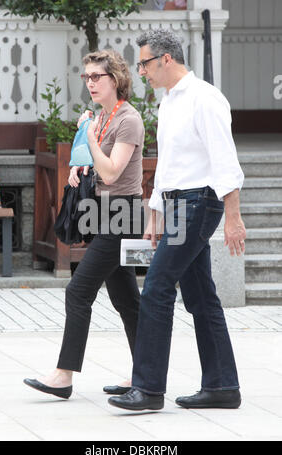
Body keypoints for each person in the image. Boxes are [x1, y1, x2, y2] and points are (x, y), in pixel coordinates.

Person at [108, 29, 246, 412]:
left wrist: (233, 218)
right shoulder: (167, 101)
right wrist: (154, 214)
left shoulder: (205, 98)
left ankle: (148, 389)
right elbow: (168, 164)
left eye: (145, 64)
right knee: (201, 297)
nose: (143, 72)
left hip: (201, 202)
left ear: (167, 59)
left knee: (156, 286)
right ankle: (222, 386)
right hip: (177, 204)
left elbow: (224, 161)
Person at [24, 49, 144, 399]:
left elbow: (112, 171)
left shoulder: (128, 120)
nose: (90, 83)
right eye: (87, 77)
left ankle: (63, 376)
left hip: (122, 215)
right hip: (104, 212)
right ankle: (145, 372)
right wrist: (81, 164)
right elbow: (97, 166)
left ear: (116, 79)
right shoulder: (104, 117)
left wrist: (90, 138)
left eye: (97, 77)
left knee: (78, 290)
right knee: (127, 301)